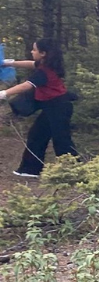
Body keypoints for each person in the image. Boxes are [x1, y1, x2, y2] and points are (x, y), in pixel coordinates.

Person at [0, 39, 78, 178]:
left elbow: (25, 86)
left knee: (61, 139)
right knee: (37, 135)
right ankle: (30, 170)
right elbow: (30, 64)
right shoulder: (44, 64)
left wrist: (4, 93)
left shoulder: (44, 72)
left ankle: (73, 172)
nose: (32, 51)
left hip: (59, 107)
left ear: (43, 53)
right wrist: (8, 63)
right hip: (51, 107)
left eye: (34, 50)